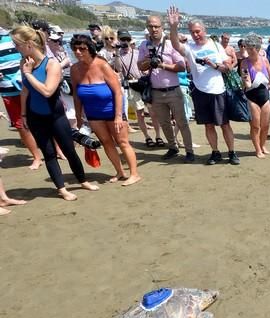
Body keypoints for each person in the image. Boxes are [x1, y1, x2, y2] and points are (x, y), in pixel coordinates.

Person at [11, 26, 99, 201]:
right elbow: (25, 91)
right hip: (35, 116)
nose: (15, 48)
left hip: (55, 116)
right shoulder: (24, 63)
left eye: (17, 44)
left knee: (69, 150)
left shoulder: (51, 64)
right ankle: (62, 189)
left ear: (28, 44)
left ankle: (83, 180)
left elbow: (47, 91)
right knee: (49, 153)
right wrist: (23, 115)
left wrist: (28, 74)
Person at [167, 7, 240, 165]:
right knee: (208, 125)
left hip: (218, 90)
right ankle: (215, 152)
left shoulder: (216, 46)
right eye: (192, 32)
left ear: (204, 30)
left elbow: (227, 67)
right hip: (200, 91)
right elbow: (175, 44)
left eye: (198, 31)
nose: (196, 34)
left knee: (224, 124)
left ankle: (232, 152)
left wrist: (213, 64)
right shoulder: (190, 49)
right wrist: (173, 27)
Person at [70, 35, 141, 186]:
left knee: (122, 142)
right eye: (75, 49)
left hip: (112, 110)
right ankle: (120, 172)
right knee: (106, 142)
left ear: (90, 48)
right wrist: (78, 116)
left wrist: (118, 116)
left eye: (82, 48)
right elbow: (76, 95)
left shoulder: (102, 65)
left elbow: (117, 92)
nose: (78, 52)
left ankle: (134, 174)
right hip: (93, 113)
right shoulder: (75, 69)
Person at [138, 14, 195, 162]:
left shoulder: (170, 43)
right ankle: (172, 147)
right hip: (156, 92)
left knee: (181, 122)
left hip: (173, 89)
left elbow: (182, 66)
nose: (154, 29)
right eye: (150, 26)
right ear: (147, 27)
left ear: (162, 27)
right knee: (164, 123)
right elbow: (140, 66)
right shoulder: (144, 45)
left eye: (156, 26)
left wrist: (162, 65)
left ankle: (189, 151)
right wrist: (148, 62)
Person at [0, 26, 42, 169]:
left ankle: (58, 151)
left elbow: (32, 54)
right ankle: (37, 157)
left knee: (43, 119)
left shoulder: (13, 36)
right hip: (7, 90)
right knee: (21, 125)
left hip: (29, 85)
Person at [114, 29, 160, 148]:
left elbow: (146, 64)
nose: (125, 42)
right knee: (140, 114)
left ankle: (158, 136)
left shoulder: (137, 51)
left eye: (127, 39)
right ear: (119, 40)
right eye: (122, 39)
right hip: (132, 86)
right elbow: (118, 69)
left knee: (153, 113)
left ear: (131, 40)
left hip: (144, 83)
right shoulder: (118, 55)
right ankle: (147, 137)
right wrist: (117, 52)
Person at [239, 34, 270, 158]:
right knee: (256, 126)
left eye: (251, 48)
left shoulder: (265, 61)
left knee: (266, 125)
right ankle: (257, 149)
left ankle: (263, 145)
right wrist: (247, 81)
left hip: (265, 96)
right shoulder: (244, 63)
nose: (249, 51)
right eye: (247, 48)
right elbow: (245, 80)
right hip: (251, 97)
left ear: (258, 48)